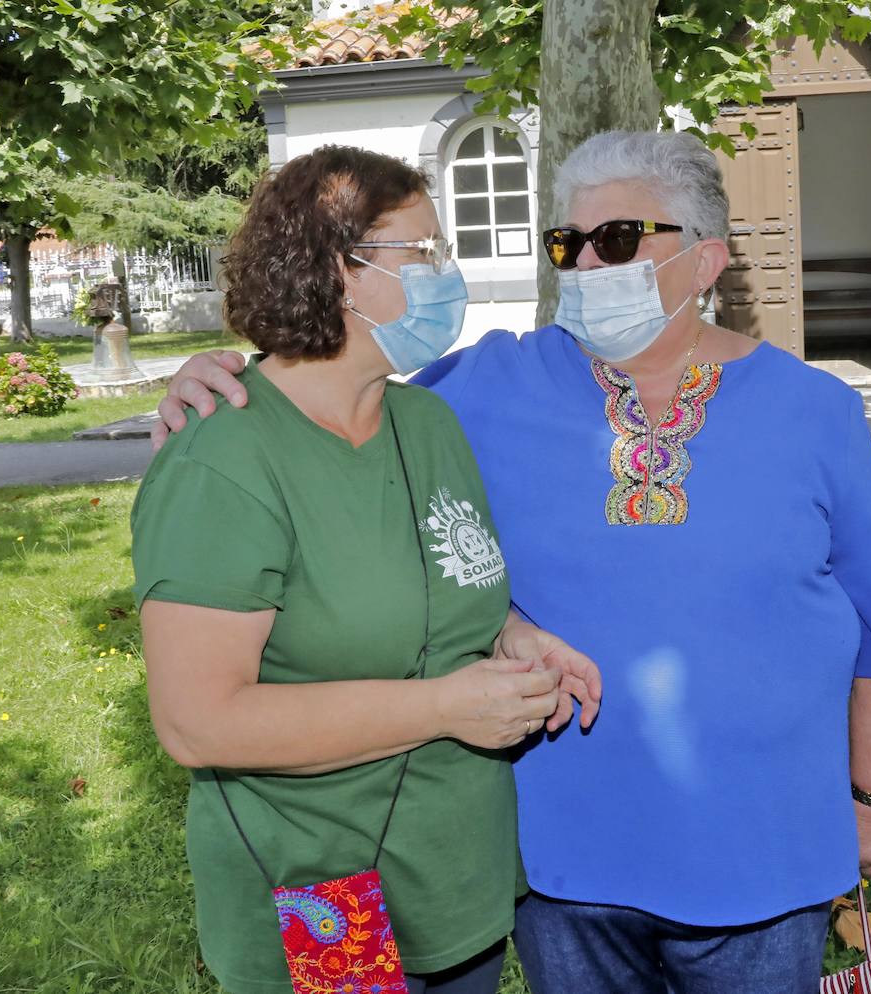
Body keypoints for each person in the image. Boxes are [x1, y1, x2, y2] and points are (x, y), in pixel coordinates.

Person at [156, 130, 871, 994]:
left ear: (707, 260)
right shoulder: (480, 391)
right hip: (509, 867)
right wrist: (219, 378)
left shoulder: (813, 410)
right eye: (570, 244)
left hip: (736, 854)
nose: (589, 266)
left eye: (619, 241)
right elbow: (313, 391)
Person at [132, 144, 600, 994]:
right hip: (320, 897)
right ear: (340, 272)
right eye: (422, 252)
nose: (443, 274)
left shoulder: (429, 425)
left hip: (454, 884)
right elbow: (199, 724)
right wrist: (448, 707)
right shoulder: (223, 462)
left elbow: (449, 590)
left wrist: (522, 640)